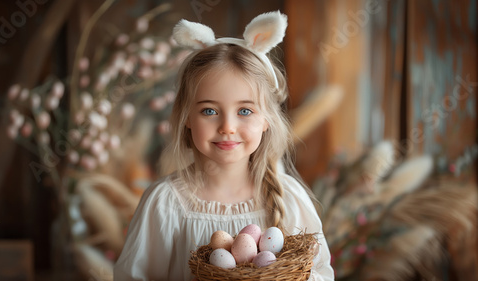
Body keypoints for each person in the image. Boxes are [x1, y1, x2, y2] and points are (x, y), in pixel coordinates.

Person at [114, 11, 334, 281]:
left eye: (244, 111)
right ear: (187, 119)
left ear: (266, 120)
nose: (227, 127)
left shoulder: (289, 199)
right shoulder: (165, 205)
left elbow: (321, 272)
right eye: (209, 111)